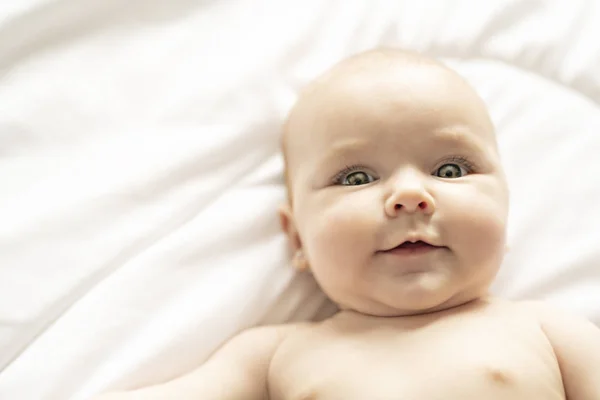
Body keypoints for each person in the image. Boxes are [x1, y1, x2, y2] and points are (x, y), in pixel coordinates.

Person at [95, 48, 600, 399]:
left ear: (505, 212)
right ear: (297, 237)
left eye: (450, 170)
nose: (409, 196)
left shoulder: (546, 331)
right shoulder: (274, 355)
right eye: (356, 177)